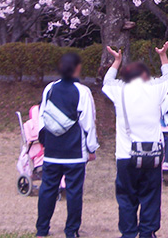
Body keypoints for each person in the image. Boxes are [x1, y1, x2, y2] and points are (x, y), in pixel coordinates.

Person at [103, 42, 168, 238]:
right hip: (152, 155)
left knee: (126, 197)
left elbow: (106, 81)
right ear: (145, 75)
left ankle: (128, 233)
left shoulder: (119, 90)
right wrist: (163, 56)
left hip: (126, 155)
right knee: (151, 196)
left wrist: (116, 62)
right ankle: (147, 232)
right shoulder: (155, 88)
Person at [36, 52, 99, 238]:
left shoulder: (49, 89)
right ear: (77, 68)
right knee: (73, 192)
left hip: (52, 151)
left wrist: (44, 143)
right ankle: (71, 231)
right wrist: (91, 148)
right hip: (74, 153)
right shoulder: (82, 92)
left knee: (47, 189)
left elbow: (42, 119)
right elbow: (89, 123)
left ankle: (42, 230)